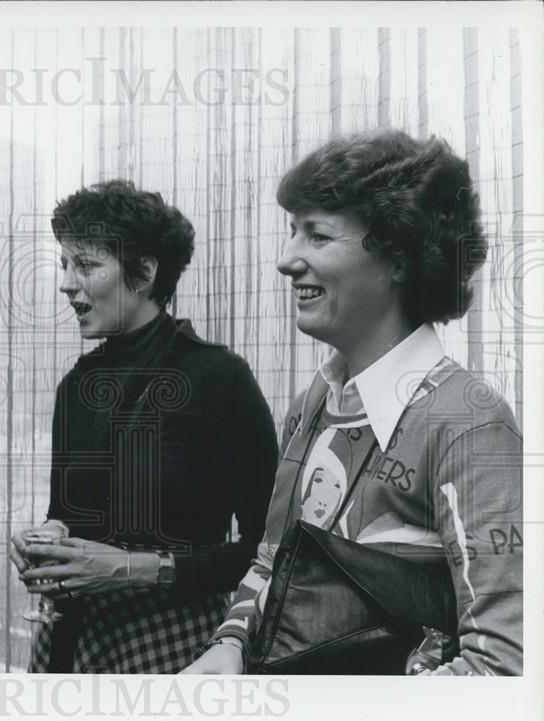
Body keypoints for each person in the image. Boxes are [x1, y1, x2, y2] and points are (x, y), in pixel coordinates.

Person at [183, 130, 523, 675]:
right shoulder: (313, 401)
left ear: (398, 258)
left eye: (316, 236)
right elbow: (272, 557)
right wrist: (229, 644)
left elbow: (500, 665)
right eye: (292, 232)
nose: (285, 259)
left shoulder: (470, 422)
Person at [10, 180, 279, 673]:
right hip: (72, 643)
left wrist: (133, 570)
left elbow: (272, 552)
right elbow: (67, 516)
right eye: (65, 264)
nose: (66, 283)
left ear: (144, 273)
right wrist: (47, 538)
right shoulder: (76, 386)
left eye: (86, 265)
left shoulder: (219, 379)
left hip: (181, 648)